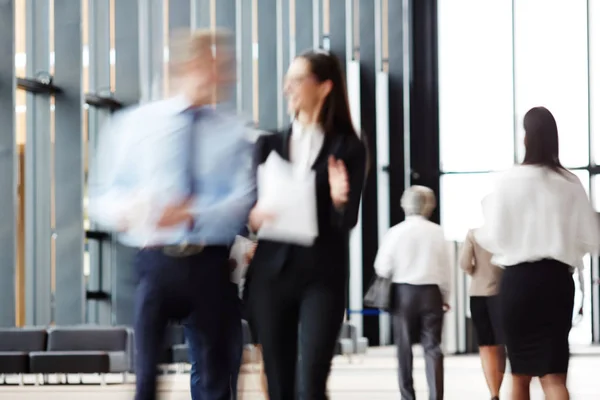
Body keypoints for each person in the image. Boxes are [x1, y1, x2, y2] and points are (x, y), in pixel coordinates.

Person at [88, 29, 255, 400]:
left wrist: (190, 214)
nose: (221, 76)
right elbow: (100, 196)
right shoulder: (135, 125)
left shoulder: (233, 130)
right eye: (212, 66)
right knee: (146, 378)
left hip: (212, 263)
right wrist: (126, 211)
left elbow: (242, 199)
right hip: (155, 262)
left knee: (217, 378)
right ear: (182, 68)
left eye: (223, 67)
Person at [245, 49, 367, 400]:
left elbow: (348, 221)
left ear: (324, 87)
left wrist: (340, 200)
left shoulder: (348, 148)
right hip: (271, 276)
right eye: (288, 80)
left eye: (297, 79)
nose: (288, 88)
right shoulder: (267, 145)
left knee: (310, 384)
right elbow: (248, 214)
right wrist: (252, 217)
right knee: (279, 386)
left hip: (321, 277)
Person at [475, 107, 600, 400]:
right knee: (554, 376)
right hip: (556, 282)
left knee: (519, 376)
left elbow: (492, 236)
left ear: (526, 138)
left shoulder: (508, 181)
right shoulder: (570, 183)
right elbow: (591, 238)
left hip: (518, 283)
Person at [374, 185, 451, 400]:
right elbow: (445, 268)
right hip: (431, 293)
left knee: (404, 348)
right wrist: (445, 296)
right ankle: (436, 396)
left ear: (404, 204)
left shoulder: (396, 232)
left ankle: (408, 396)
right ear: (430, 205)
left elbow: (381, 267)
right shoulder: (437, 232)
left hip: (403, 294)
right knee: (433, 347)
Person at [459, 228, 505, 400]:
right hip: (503, 292)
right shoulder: (506, 232)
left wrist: (476, 273)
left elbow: (464, 264)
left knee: (486, 346)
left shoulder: (474, 234)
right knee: (501, 344)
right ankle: (498, 387)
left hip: (478, 293)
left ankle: (494, 393)